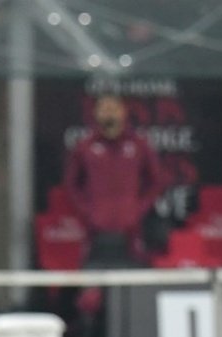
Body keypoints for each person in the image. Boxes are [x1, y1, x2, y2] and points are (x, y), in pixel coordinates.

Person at [64, 92, 163, 265]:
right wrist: (88, 212)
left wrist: (138, 209)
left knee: (132, 285)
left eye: (113, 108)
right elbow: (72, 185)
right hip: (95, 231)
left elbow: (156, 182)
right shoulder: (85, 146)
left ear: (123, 111)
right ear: (95, 113)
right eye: (104, 109)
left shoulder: (139, 144)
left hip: (131, 232)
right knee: (94, 286)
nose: (109, 113)